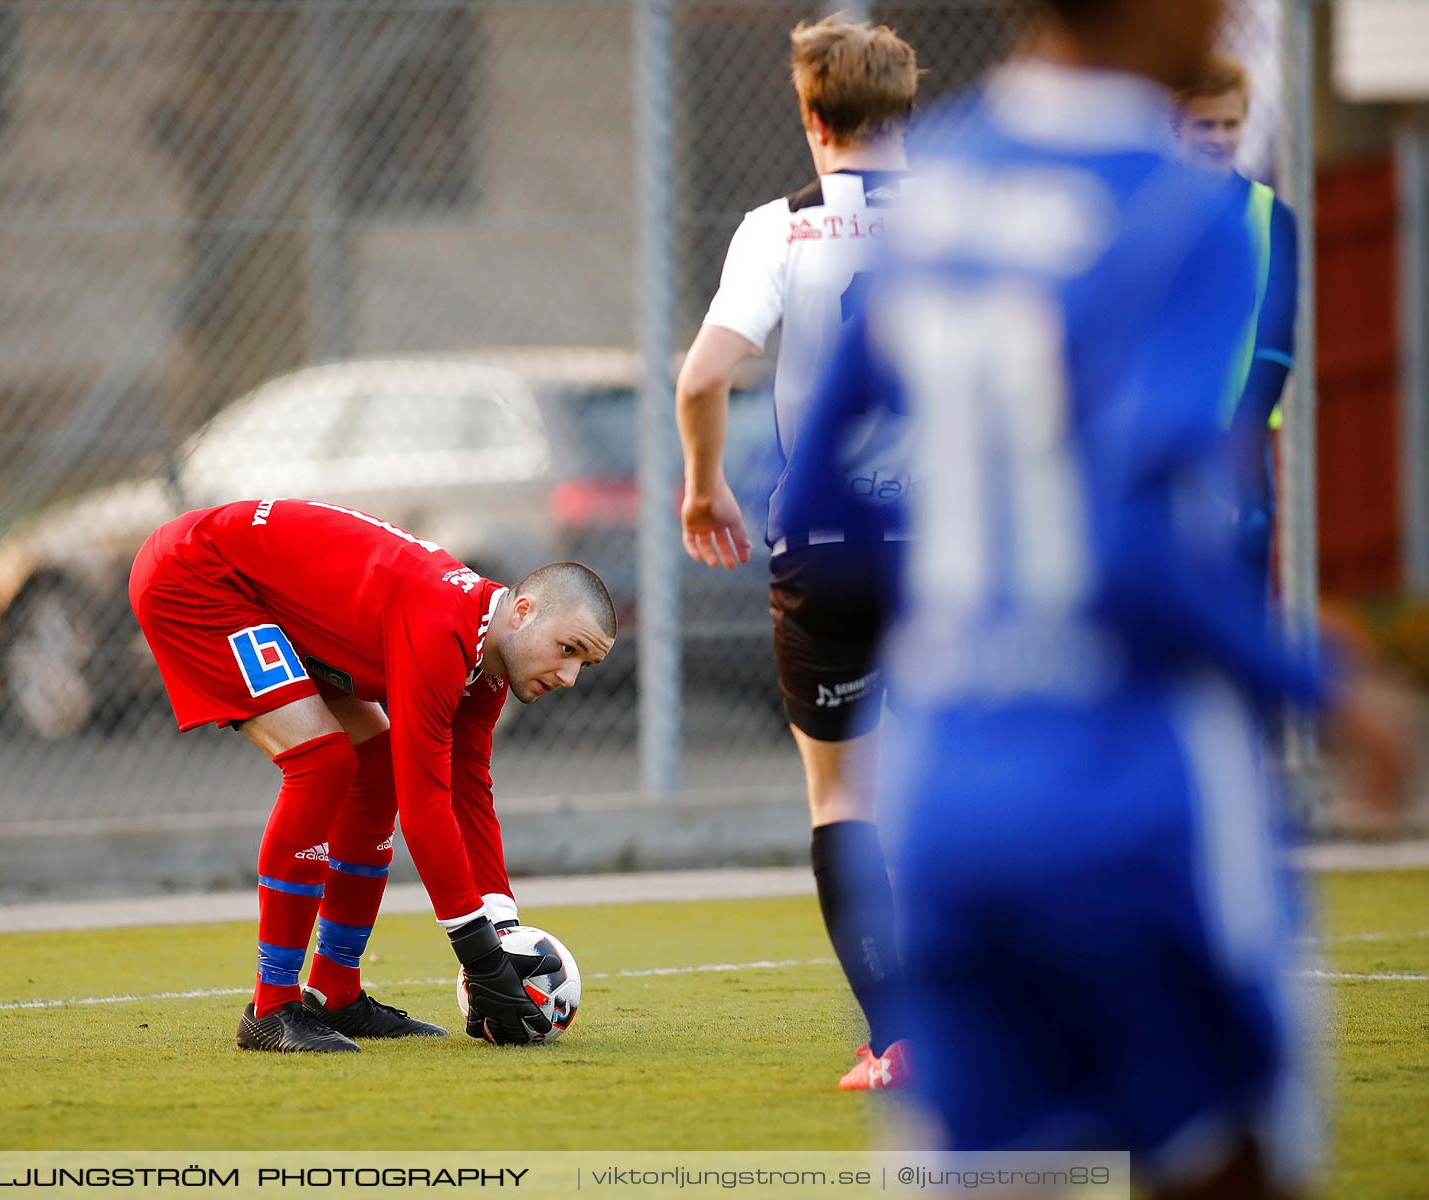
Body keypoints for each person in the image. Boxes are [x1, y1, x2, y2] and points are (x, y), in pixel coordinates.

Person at [777, 0, 1417, 1193]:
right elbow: (1128, 545)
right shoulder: (1187, 211)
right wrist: (1326, 686)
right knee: (1228, 1157)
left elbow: (811, 490)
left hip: (951, 797)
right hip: (1131, 799)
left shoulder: (948, 177)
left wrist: (974, 592)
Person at [128, 498, 615, 1053]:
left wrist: (503, 930)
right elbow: (426, 806)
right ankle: (271, 1008)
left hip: (266, 595)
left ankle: (335, 992)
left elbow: (468, 792)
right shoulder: (441, 626)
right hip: (197, 574)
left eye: (586, 664)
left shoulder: (487, 664)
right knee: (322, 759)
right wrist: (480, 957)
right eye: (568, 649)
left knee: (376, 763)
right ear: (523, 611)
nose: (571, 676)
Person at [674, 13, 919, 1091]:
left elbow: (700, 377)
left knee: (844, 802)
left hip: (826, 548)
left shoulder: (779, 228)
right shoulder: (976, 217)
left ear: (813, 115)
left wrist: (701, 486)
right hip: (956, 549)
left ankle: (897, 1040)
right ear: (906, 110)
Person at [1172, 53, 1299, 594]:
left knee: (1242, 592)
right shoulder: (1150, 208)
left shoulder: (1271, 216)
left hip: (1237, 444)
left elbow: (1276, 343)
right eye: (1206, 124)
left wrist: (1235, 451)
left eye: (1231, 124)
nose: (1220, 137)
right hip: (1164, 443)